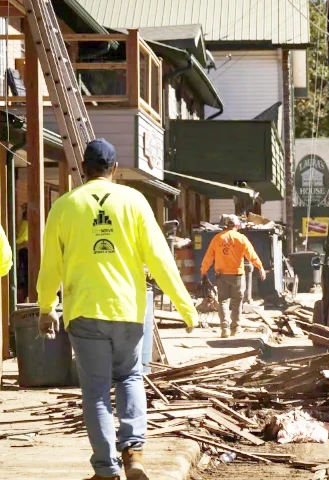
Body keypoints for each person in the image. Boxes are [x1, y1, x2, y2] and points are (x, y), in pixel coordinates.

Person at [36, 138, 199, 480]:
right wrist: (187, 309)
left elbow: (50, 264)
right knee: (129, 377)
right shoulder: (135, 202)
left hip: (84, 311)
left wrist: (46, 307)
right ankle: (134, 455)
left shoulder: (64, 206)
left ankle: (106, 470)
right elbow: (159, 259)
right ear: (114, 169)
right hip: (127, 311)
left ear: (83, 169)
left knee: (95, 390)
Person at [200, 214, 266, 338]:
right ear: (237, 225)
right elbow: (251, 254)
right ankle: (235, 328)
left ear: (225, 225)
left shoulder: (217, 238)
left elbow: (208, 257)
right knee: (237, 302)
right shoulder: (241, 238)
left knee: (223, 301)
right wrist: (260, 267)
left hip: (221, 275)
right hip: (237, 275)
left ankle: (224, 329)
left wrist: (203, 271)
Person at [16, 203, 28, 302]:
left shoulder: (25, 223)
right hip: (25, 251)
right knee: (25, 274)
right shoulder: (25, 224)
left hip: (24, 250)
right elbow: (20, 240)